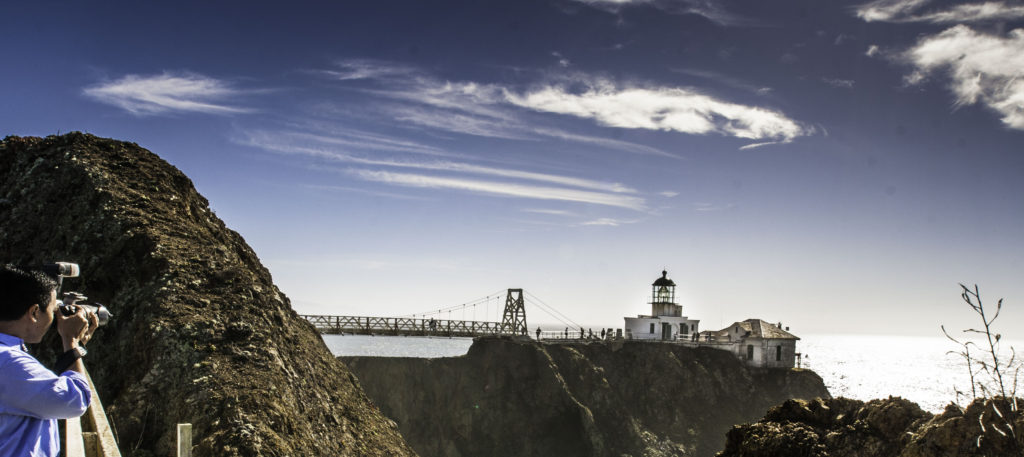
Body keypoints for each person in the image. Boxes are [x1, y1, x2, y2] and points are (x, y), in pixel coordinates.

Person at [0, 265, 98, 456]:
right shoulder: (9, 362)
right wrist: (71, 342)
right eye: (54, 309)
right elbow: (76, 399)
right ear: (35, 312)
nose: (55, 318)